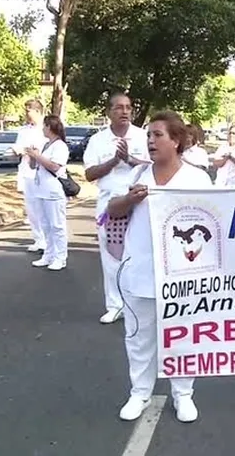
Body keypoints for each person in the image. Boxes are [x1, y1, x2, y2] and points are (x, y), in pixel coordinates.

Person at [108, 110, 213, 424]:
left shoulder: (197, 179)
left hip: (183, 274)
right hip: (140, 270)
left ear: (176, 141)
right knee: (139, 337)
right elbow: (113, 209)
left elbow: (215, 219)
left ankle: (183, 394)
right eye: (149, 136)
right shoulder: (139, 175)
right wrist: (130, 200)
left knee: (184, 336)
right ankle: (139, 393)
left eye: (158, 135)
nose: (151, 141)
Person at [83, 93, 150, 325]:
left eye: (128, 107)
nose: (124, 112)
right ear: (109, 112)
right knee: (112, 256)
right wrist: (113, 161)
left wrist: (129, 159)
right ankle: (115, 305)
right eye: (119, 107)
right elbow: (89, 174)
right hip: (109, 205)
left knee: (140, 253)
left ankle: (138, 303)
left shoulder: (143, 136)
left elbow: (154, 165)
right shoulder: (98, 140)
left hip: (140, 202)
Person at [25, 115, 70, 271]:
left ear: (50, 127)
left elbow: (54, 166)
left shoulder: (60, 146)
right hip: (40, 190)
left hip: (53, 191)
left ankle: (60, 257)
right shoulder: (46, 145)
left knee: (57, 226)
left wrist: (37, 156)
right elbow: (34, 166)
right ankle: (49, 255)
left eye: (44, 126)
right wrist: (33, 156)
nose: (42, 129)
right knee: (45, 225)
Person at [12, 99, 47, 252]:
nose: (26, 114)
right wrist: (19, 150)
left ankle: (48, 239)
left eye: (28, 111)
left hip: (43, 171)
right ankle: (38, 239)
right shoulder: (24, 130)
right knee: (31, 208)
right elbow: (19, 147)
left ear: (37, 111)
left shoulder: (46, 128)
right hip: (27, 170)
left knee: (43, 207)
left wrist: (32, 151)